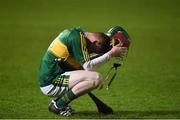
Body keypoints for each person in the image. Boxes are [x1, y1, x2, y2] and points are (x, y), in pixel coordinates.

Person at [39, 27, 128, 116]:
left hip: (55, 77)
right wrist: (110, 54)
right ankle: (58, 105)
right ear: (96, 43)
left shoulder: (78, 35)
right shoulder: (76, 38)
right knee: (96, 78)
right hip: (51, 81)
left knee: (91, 78)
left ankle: (57, 103)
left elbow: (84, 68)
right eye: (96, 50)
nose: (93, 52)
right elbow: (88, 67)